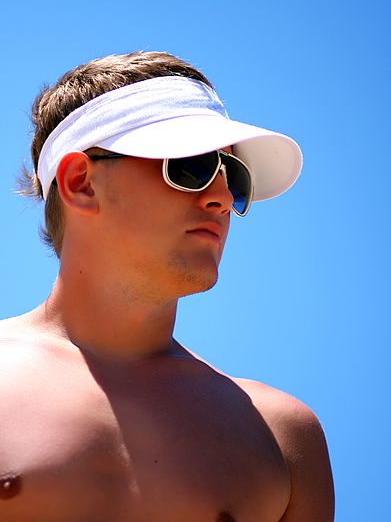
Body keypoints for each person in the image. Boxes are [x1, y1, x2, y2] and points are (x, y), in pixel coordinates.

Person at [0, 51, 334, 521]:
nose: (219, 198)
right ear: (81, 183)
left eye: (233, 177)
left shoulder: (280, 434)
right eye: (191, 166)